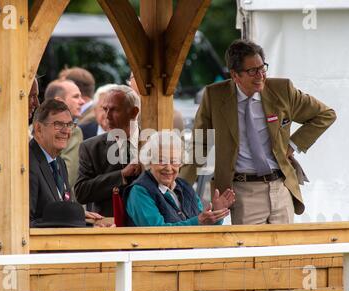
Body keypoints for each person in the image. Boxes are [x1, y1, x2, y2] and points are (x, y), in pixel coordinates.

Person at [180, 39, 336, 225]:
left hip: (281, 186)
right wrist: (180, 187)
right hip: (242, 191)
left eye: (263, 68)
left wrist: (292, 145)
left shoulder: (282, 89)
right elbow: (200, 144)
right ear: (235, 75)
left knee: (284, 252)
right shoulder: (214, 96)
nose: (260, 75)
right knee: (250, 252)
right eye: (252, 71)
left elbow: (325, 115)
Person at [0, 78, 40, 255]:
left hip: (21, 230)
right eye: (31, 96)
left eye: (37, 96)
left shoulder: (28, 137)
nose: (37, 103)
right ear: (14, 95)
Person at [124, 131, 235, 226]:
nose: (168, 168)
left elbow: (202, 224)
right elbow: (157, 232)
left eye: (174, 161)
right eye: (162, 161)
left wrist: (217, 213)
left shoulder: (185, 187)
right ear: (149, 161)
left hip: (192, 250)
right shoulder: (139, 192)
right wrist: (198, 222)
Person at [29, 99, 111, 227]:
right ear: (39, 128)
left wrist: (87, 222)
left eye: (69, 124)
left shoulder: (59, 162)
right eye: (58, 124)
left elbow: (60, 212)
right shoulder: (27, 163)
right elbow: (26, 222)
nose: (66, 131)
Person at [75, 85, 142, 217]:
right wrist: (121, 175)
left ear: (134, 112)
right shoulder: (91, 147)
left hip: (148, 227)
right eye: (105, 109)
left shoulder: (153, 142)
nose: (107, 116)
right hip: (107, 228)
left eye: (114, 110)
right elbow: (81, 192)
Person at [44, 79, 85, 191]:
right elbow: (67, 176)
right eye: (76, 97)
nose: (82, 102)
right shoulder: (73, 131)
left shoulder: (31, 130)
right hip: (63, 204)